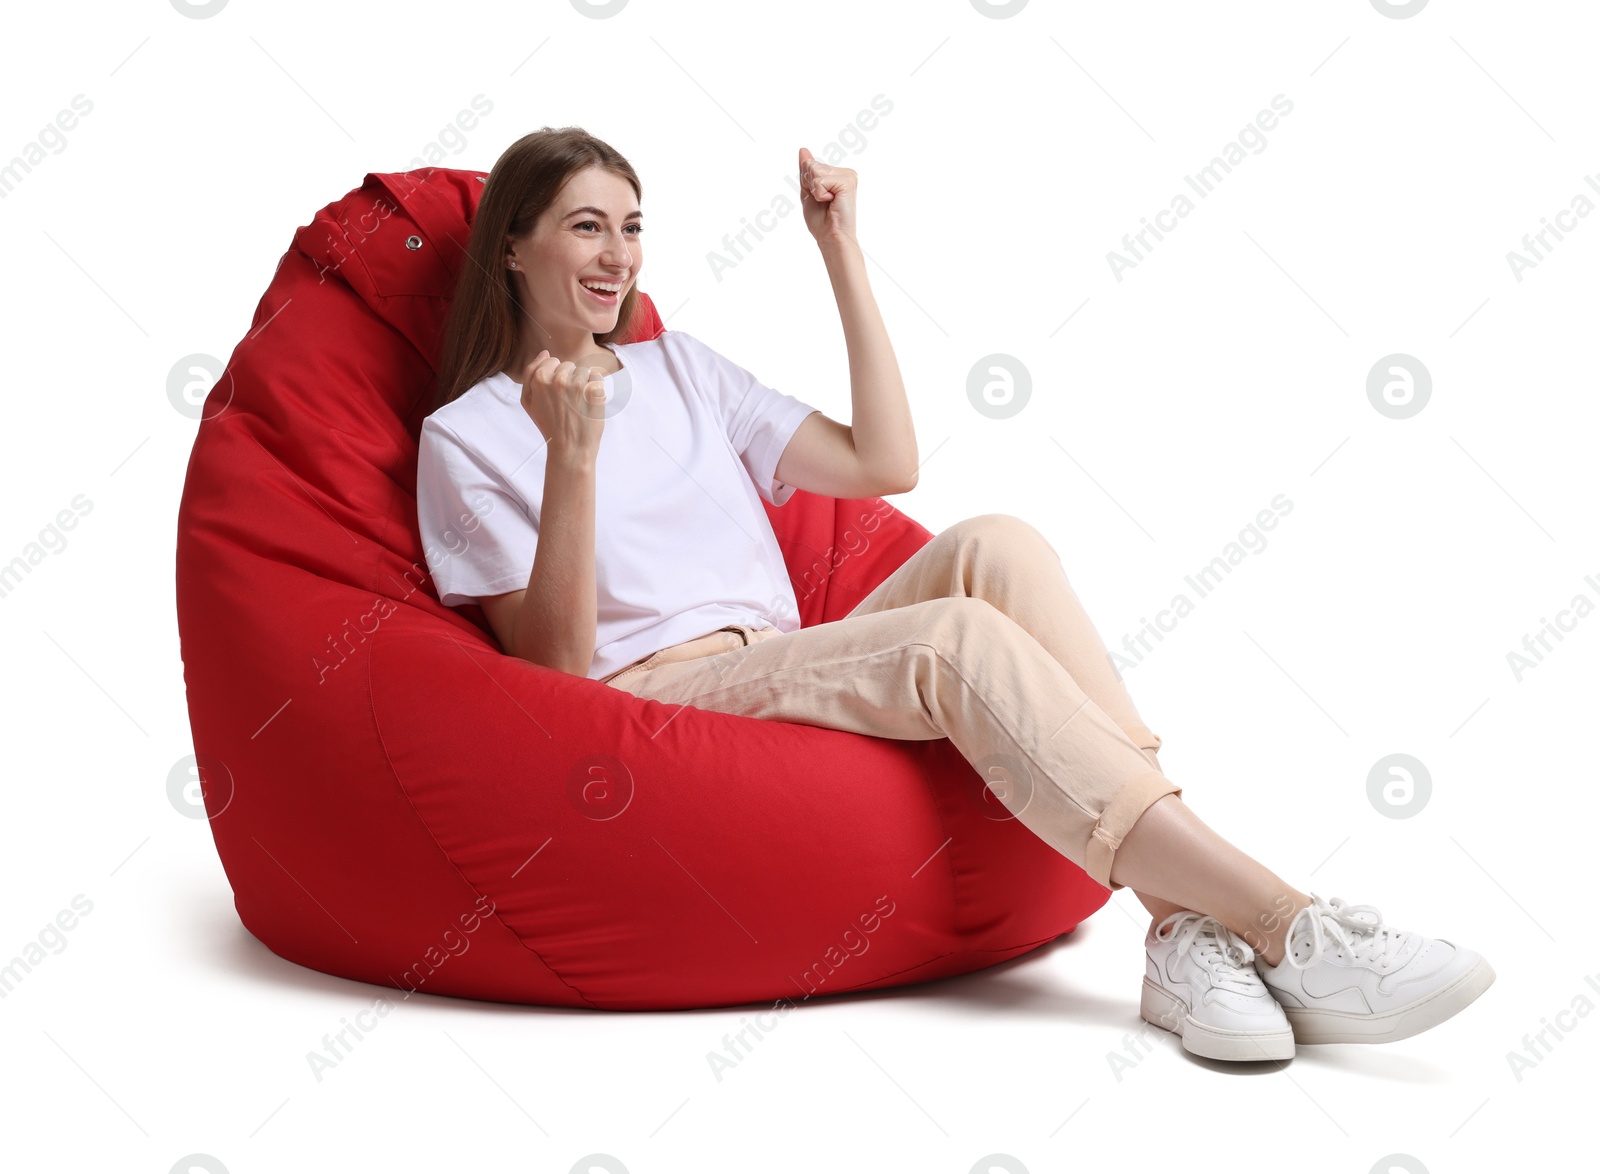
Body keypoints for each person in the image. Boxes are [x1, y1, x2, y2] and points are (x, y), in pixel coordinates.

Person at [415, 126, 1494, 1064]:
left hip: (784, 651)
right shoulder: (465, 437)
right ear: (513, 245)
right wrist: (572, 458)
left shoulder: (681, 365)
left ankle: (1178, 930)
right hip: (661, 695)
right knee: (949, 639)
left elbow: (886, 461)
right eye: (587, 226)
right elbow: (550, 673)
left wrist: (839, 252)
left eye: (632, 227)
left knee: (999, 546)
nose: (619, 256)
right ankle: (1282, 923)